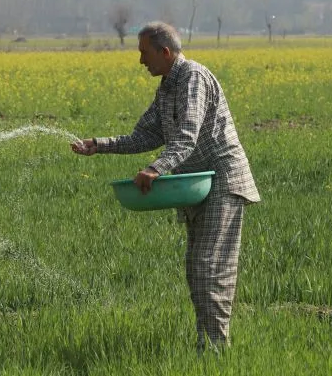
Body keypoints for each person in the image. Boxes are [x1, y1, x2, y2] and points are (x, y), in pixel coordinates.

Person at [71, 21, 260, 352]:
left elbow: (186, 136)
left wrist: (154, 169)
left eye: (144, 53)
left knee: (209, 267)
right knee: (196, 269)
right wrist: (99, 145)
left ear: (165, 52)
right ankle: (209, 346)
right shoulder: (167, 88)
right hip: (196, 185)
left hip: (223, 180)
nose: (141, 61)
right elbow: (144, 136)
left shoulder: (193, 78)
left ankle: (216, 350)